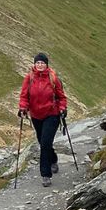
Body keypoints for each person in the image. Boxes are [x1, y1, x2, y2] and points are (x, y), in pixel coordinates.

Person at [17, 52, 68, 187]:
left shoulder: (53, 78)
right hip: (36, 115)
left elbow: (61, 97)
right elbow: (24, 96)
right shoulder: (29, 78)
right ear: (34, 64)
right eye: (38, 63)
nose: (40, 65)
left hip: (52, 114)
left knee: (45, 143)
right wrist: (23, 108)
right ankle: (53, 159)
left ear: (46, 65)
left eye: (42, 63)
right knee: (42, 142)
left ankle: (45, 175)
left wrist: (62, 108)